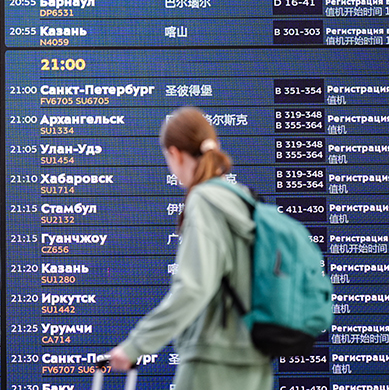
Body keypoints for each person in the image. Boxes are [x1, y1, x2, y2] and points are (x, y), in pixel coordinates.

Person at [108, 106, 272, 389]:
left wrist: (136, 345)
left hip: (212, 362)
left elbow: (194, 288)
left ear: (175, 154)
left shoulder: (204, 201)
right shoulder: (246, 200)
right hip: (256, 361)